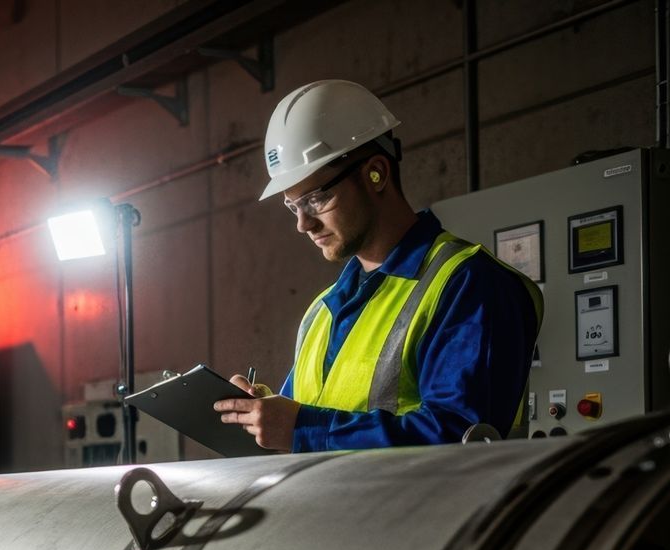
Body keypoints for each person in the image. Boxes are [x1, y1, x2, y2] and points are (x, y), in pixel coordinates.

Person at [215, 79, 542, 451]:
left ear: (376, 173)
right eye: (293, 205)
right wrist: (263, 415)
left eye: (317, 198)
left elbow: (460, 437)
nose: (303, 224)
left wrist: (305, 428)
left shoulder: (469, 283)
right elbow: (308, 421)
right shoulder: (321, 313)